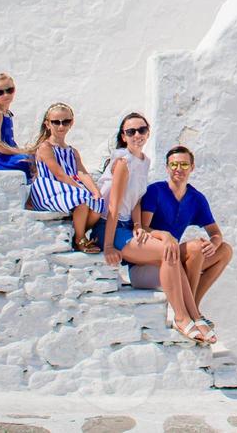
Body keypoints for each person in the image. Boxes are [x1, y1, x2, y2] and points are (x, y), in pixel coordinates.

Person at [94, 113, 214, 344]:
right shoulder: (122, 162)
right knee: (167, 252)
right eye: (131, 132)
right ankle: (181, 317)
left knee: (172, 255)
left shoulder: (143, 161)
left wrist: (139, 225)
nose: (137, 135)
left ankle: (194, 316)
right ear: (123, 136)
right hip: (110, 227)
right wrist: (108, 245)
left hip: (128, 227)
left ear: (148, 132)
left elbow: (137, 199)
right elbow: (113, 206)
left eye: (141, 130)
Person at [141, 146, 233, 326]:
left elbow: (215, 233)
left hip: (175, 256)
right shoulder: (155, 191)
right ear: (167, 168)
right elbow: (144, 228)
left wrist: (213, 244)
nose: (179, 169)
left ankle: (193, 308)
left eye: (184, 164)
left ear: (192, 167)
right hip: (154, 259)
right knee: (196, 247)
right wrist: (164, 236)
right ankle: (186, 313)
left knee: (225, 250)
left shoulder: (196, 198)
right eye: (174, 164)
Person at [26, 103, 107, 253]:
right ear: (48, 124)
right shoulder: (45, 147)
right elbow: (59, 174)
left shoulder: (72, 151)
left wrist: (95, 191)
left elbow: (82, 173)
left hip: (68, 189)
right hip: (49, 188)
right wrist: (80, 189)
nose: (61, 126)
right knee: (82, 200)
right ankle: (80, 240)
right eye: (56, 122)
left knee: (98, 203)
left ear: (71, 123)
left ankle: (77, 233)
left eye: (65, 122)